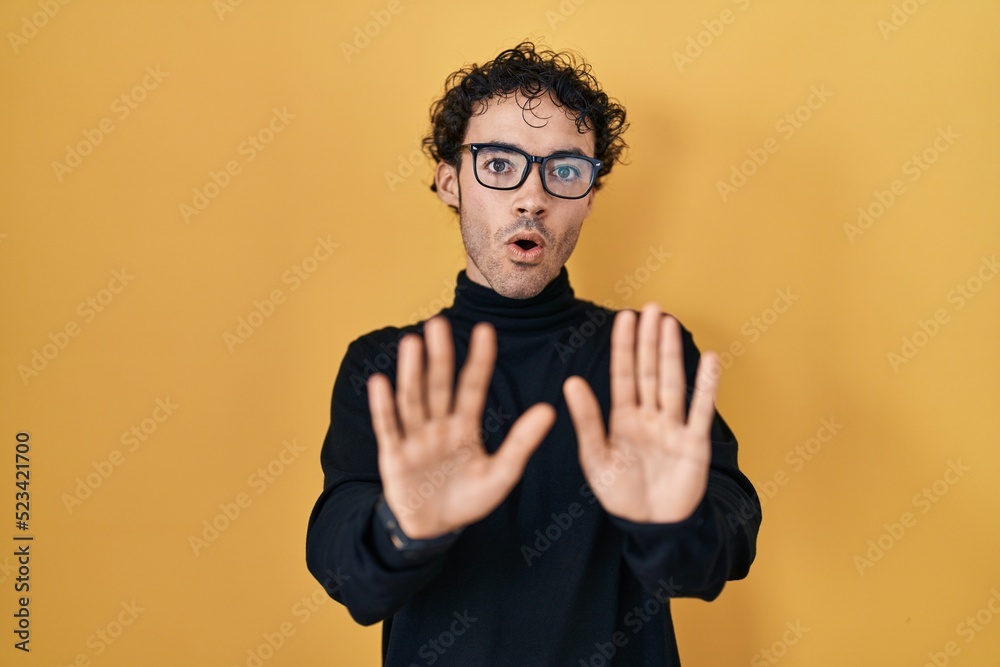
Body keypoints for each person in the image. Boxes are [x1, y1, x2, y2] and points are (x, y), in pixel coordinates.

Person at [306, 41, 761, 666]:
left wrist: (674, 524)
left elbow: (724, 547)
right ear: (450, 181)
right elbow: (347, 576)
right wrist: (402, 525)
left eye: (566, 169)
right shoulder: (389, 366)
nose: (532, 197)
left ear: (591, 193)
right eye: (498, 164)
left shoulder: (646, 356)